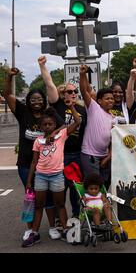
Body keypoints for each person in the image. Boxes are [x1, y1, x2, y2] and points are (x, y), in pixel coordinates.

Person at [3, 66, 61, 242]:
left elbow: (62, 128)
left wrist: (51, 136)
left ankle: (52, 227)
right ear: (28, 101)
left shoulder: (49, 115)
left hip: (47, 166)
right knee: (31, 198)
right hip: (26, 164)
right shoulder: (23, 113)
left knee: (49, 198)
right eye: (33, 99)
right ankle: (30, 230)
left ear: (43, 101)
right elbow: (6, 94)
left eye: (39, 99)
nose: (36, 102)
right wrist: (9, 77)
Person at [23, 106, 81, 247]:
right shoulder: (38, 141)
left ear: (54, 125)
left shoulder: (61, 136)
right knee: (39, 205)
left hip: (57, 176)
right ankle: (34, 234)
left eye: (50, 124)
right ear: (41, 126)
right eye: (45, 124)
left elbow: (78, 121)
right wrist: (29, 181)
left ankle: (66, 231)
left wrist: (71, 106)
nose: (47, 126)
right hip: (41, 176)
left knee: (60, 204)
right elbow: (34, 161)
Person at [38, 55, 87, 218]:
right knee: (59, 189)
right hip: (59, 155)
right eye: (69, 91)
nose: (73, 94)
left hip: (77, 155)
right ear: (62, 93)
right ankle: (60, 219)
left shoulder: (82, 110)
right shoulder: (57, 104)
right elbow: (49, 84)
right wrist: (43, 67)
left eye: (75, 91)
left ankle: (75, 216)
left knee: (76, 189)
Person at [79, 64, 115, 190]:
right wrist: (82, 75)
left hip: (104, 157)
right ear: (99, 101)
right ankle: (90, 209)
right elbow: (84, 91)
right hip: (90, 156)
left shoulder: (113, 118)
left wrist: (108, 157)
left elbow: (112, 141)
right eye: (107, 99)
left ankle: (101, 208)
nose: (110, 100)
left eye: (112, 98)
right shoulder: (94, 108)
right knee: (93, 188)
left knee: (103, 187)